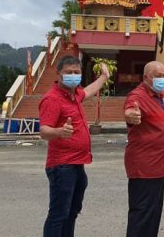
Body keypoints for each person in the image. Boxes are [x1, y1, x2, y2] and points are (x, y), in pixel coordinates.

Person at [39, 55, 109, 237]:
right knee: (58, 214)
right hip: (62, 165)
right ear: (59, 74)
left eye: (76, 72)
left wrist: (103, 77)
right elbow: (44, 130)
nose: (73, 75)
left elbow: (89, 91)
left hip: (77, 164)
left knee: (72, 212)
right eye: (68, 72)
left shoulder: (75, 94)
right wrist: (59, 132)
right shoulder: (52, 99)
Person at [123, 61, 164, 237]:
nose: (162, 80)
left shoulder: (159, 94)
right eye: (158, 76)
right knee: (142, 214)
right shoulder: (137, 96)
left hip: (159, 166)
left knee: (153, 214)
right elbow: (130, 110)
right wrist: (131, 116)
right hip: (145, 167)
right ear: (146, 78)